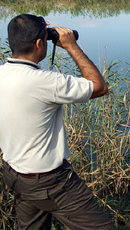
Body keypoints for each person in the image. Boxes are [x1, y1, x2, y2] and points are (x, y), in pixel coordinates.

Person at [0, 14, 115, 229]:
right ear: (38, 43)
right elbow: (99, 86)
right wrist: (71, 46)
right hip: (51, 183)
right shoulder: (45, 82)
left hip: (15, 174)